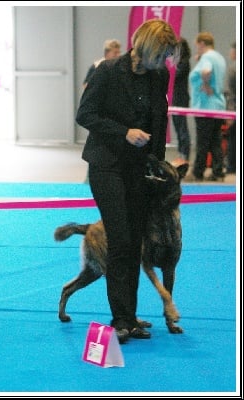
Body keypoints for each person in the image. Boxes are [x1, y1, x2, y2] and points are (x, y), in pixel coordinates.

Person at [76, 19, 179, 344]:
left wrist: (158, 163)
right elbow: (85, 115)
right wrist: (123, 133)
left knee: (136, 242)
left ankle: (131, 317)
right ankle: (120, 319)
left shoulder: (158, 75)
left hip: (139, 169)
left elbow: (159, 118)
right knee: (120, 240)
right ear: (146, 48)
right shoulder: (107, 71)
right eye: (160, 54)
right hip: (106, 166)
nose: (163, 61)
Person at [188, 32, 227, 182]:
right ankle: (218, 171)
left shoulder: (207, 58)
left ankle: (198, 171)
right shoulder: (219, 57)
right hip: (218, 105)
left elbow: (206, 71)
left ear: (202, 43)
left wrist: (205, 84)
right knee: (215, 141)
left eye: (197, 45)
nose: (197, 48)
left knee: (202, 141)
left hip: (205, 106)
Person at [82, 39, 122, 183]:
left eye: (119, 52)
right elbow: (86, 86)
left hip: (113, 113)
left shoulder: (119, 68)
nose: (118, 54)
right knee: (96, 143)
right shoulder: (97, 66)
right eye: (115, 52)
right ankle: (90, 177)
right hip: (98, 113)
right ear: (107, 53)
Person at [171, 37, 191, 167]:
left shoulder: (184, 63)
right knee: (178, 128)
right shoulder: (179, 62)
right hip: (175, 97)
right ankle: (181, 153)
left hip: (181, 98)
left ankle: (184, 155)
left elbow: (174, 76)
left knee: (182, 128)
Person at [224, 41, 236, 174]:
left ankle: (232, 166)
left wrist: (230, 113)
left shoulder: (233, 69)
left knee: (233, 140)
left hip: (235, 110)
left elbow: (231, 94)